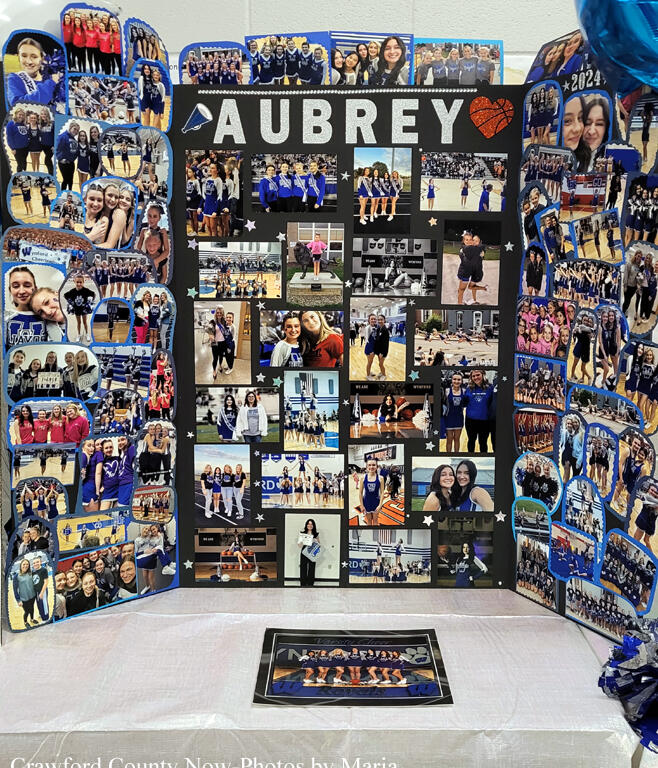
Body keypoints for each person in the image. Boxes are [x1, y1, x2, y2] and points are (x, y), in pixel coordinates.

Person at [6, 37, 62, 108]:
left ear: (42, 59)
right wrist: (51, 83)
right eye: (24, 56)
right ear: (18, 57)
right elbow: (18, 105)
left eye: (34, 57)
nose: (29, 61)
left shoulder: (52, 77)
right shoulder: (15, 78)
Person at [12, 558, 38, 628]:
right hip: (24, 598)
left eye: (27, 564)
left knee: (32, 608)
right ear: (20, 565)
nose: (25, 566)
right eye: (24, 564)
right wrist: (18, 600)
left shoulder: (31, 573)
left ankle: (32, 619)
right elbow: (15, 589)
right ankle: (25, 622)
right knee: (27, 611)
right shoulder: (16, 576)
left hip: (32, 595)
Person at [359, 457, 385, 525]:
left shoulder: (381, 478)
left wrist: (380, 505)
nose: (371, 467)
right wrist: (361, 505)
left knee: (376, 521)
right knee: (369, 521)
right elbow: (360, 493)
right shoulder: (363, 478)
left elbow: (382, 492)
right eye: (369, 465)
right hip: (366, 503)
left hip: (376, 503)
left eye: (373, 465)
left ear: (377, 466)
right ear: (367, 466)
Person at [299, 518, 320, 586]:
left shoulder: (316, 534)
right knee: (303, 567)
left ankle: (310, 583)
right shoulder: (303, 533)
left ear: (313, 526)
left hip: (312, 551)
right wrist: (302, 541)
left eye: (311, 524)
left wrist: (314, 540)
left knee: (312, 567)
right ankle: (303, 583)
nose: (310, 525)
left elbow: (319, 544)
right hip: (304, 551)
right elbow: (299, 545)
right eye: (308, 524)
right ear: (306, 525)